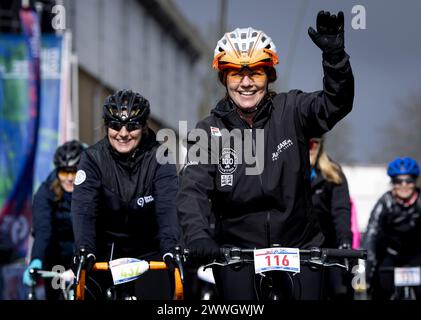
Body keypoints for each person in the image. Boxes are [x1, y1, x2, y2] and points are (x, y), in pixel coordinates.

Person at [177, 10, 354, 300]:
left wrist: (335, 59)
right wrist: (197, 234)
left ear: (268, 75)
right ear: (224, 78)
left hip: (300, 247)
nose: (246, 83)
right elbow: (192, 188)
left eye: (255, 72)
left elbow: (336, 104)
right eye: (236, 73)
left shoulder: (293, 109)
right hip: (237, 253)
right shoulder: (208, 130)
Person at [71, 89, 180, 300]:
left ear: (144, 126)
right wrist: (85, 248)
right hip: (106, 250)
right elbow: (84, 208)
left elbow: (168, 207)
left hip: (150, 250)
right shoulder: (92, 159)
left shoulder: (161, 156)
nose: (123, 133)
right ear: (106, 126)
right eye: (115, 125)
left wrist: (171, 247)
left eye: (132, 126)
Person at [22, 140, 86, 300]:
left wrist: (77, 265)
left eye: (75, 171)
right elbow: (43, 230)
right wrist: (36, 259)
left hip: (84, 252)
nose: (70, 178)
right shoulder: (45, 192)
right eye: (65, 172)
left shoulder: (91, 190)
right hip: (55, 256)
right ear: (57, 172)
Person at [363, 157, 421, 300]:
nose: (403, 185)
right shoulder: (385, 202)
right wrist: (369, 260)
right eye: (398, 181)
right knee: (380, 288)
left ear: (415, 182)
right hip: (390, 255)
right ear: (392, 183)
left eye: (408, 181)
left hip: (416, 254)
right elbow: (372, 232)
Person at [309, 136, 353, 300]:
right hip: (298, 247)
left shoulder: (333, 172)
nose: (311, 147)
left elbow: (341, 210)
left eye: (315, 142)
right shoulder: (286, 170)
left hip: (329, 244)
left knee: (339, 292)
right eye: (306, 142)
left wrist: (344, 240)